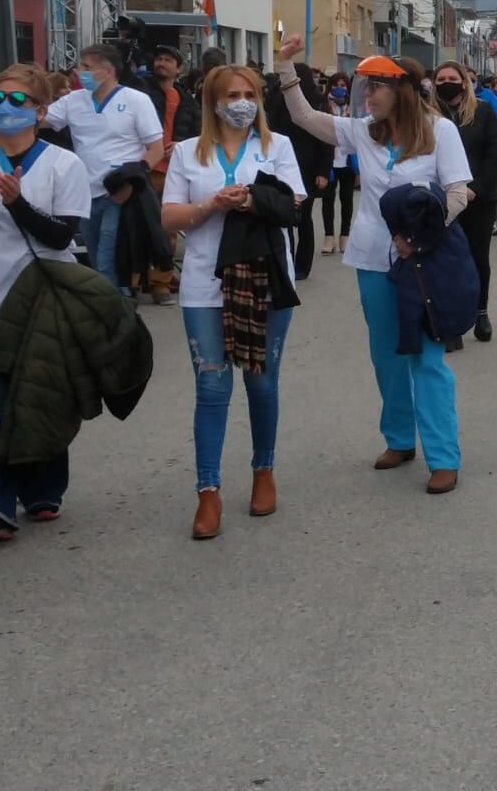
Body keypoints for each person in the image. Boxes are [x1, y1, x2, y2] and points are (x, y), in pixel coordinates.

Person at [275, 37, 473, 493]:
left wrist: (419, 235)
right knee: (385, 356)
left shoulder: (439, 132)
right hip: (371, 258)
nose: (368, 97)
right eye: (367, 89)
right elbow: (304, 117)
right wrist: (286, 67)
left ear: (401, 89)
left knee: (428, 359)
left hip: (422, 260)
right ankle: (400, 440)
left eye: (376, 88)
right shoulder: (362, 130)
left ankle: (444, 456)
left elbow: (460, 193)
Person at [0, 64, 90, 542]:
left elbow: (62, 234)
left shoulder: (62, 164)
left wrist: (17, 205)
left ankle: (44, 488)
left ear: (41, 111)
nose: (3, 108)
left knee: (44, 395)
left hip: (42, 301)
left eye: (16, 101)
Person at [161, 64, 304, 539]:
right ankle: (209, 491)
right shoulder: (186, 153)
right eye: (232, 95)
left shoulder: (276, 146)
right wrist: (210, 206)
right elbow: (169, 217)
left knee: (261, 384)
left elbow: (294, 206)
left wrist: (249, 201)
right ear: (213, 103)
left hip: (264, 280)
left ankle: (264, 470)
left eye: (249, 94)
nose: (241, 102)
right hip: (204, 283)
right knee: (211, 388)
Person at [42, 43, 164, 291]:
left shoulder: (136, 100)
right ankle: (114, 307)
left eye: (87, 67)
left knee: (109, 259)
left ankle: (115, 312)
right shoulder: (73, 101)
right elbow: (40, 121)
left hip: (118, 193)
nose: (79, 72)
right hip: (85, 194)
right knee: (97, 260)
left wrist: (133, 179)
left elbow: (156, 148)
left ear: (108, 71)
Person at [433, 61, 497, 343]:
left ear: (464, 82)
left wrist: (475, 187)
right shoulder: (427, 115)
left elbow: (495, 152)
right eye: (440, 79)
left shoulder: (483, 112)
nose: (445, 83)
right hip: (438, 200)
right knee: (444, 260)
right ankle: (450, 321)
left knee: (476, 258)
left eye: (451, 78)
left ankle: (480, 312)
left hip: (478, 199)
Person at [142, 45, 201, 305]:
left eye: (168, 60)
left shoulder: (187, 100)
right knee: (139, 225)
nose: (161, 63)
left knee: (168, 229)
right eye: (159, 58)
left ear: (179, 68)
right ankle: (134, 281)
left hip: (172, 170)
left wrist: (182, 144)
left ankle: (161, 283)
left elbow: (200, 133)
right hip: (145, 167)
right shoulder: (143, 93)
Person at [263, 62, 331, 280]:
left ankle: (303, 264)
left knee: (303, 217)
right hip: (280, 164)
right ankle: (286, 260)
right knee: (284, 214)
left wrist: (323, 171)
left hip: (308, 166)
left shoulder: (317, 103)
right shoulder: (274, 99)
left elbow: (326, 140)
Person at [319, 72, 355, 254]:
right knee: (328, 199)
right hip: (329, 160)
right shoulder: (323, 105)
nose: (339, 88)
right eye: (335, 84)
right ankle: (329, 237)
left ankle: (345, 237)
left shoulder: (353, 106)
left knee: (347, 199)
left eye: (343, 84)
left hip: (348, 160)